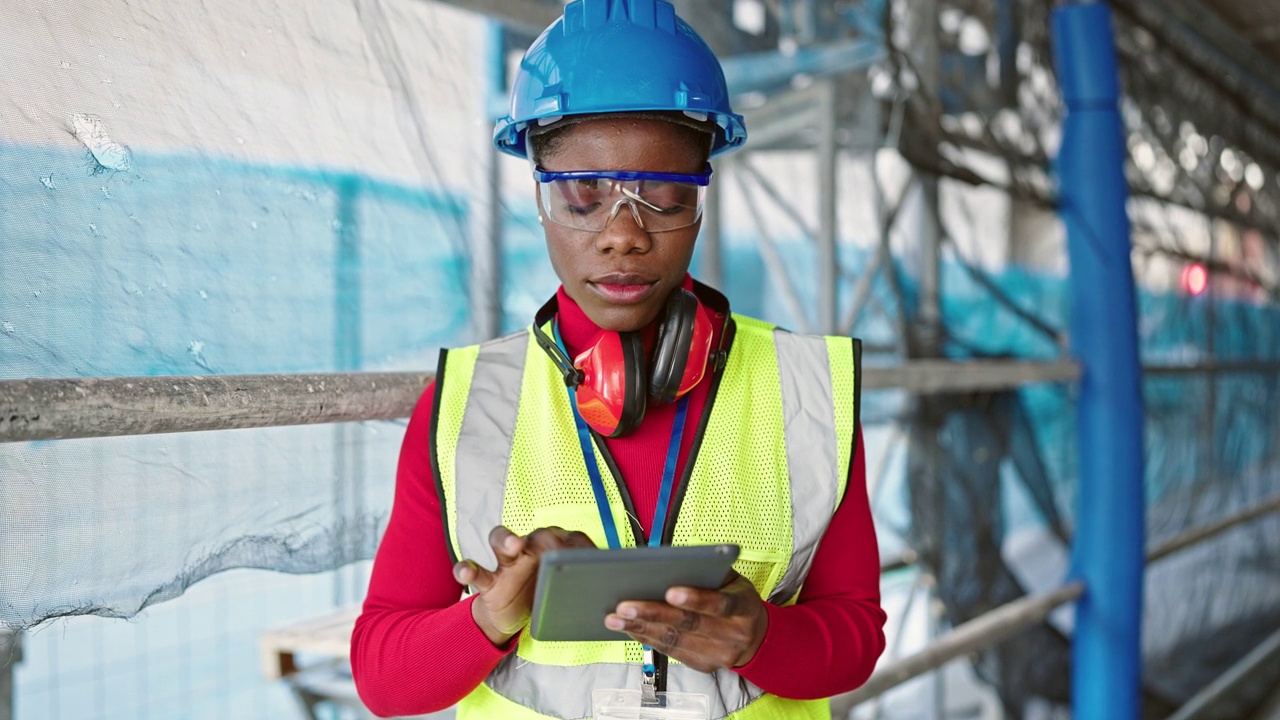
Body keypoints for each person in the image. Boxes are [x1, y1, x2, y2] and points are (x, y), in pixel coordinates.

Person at [351, 0, 886, 717]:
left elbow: (854, 637)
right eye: (583, 195)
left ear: (701, 195)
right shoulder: (465, 406)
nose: (624, 236)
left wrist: (761, 637)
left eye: (662, 194)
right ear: (541, 197)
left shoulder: (804, 391)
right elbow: (384, 680)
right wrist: (490, 619)